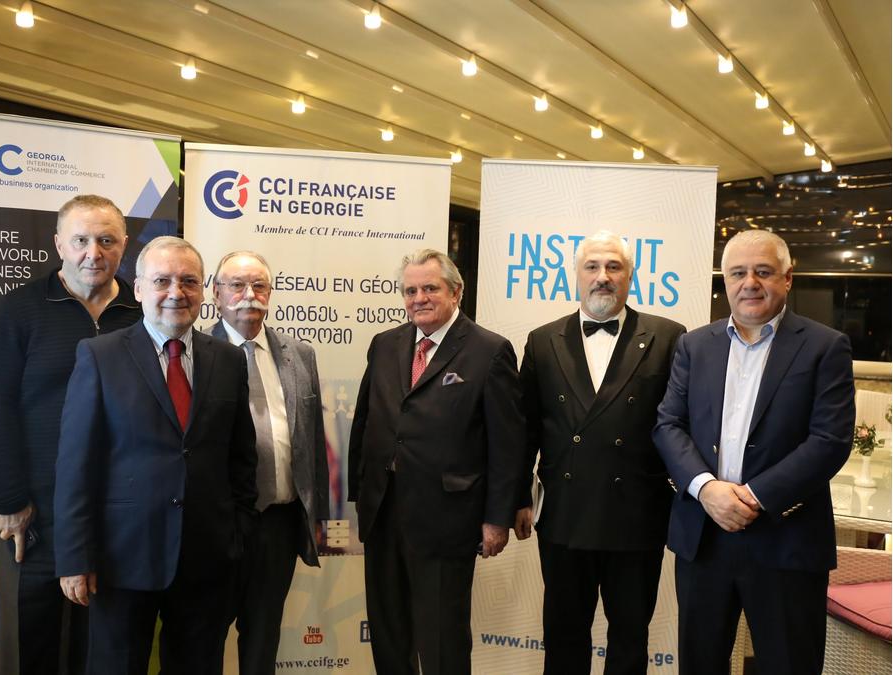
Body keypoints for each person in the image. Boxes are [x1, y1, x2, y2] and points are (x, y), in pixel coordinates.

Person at [53, 236, 257, 675]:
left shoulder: (228, 360)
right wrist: (75, 557)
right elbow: (75, 466)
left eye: (189, 281)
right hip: (121, 559)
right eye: (162, 280)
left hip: (206, 559)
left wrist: (236, 535)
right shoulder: (100, 356)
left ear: (204, 290)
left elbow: (241, 458)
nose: (176, 292)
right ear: (140, 288)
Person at [653, 230, 854, 675]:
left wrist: (753, 497)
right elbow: (668, 425)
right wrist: (706, 490)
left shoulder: (825, 346)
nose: (750, 283)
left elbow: (830, 440)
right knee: (700, 666)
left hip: (786, 539)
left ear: (788, 278)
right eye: (738, 273)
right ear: (725, 280)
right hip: (704, 537)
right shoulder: (694, 345)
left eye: (763, 272)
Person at [0, 194, 141, 674]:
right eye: (81, 240)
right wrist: (10, 500)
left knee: (105, 652)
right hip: (35, 516)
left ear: (124, 244)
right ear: (58, 245)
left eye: (106, 240)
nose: (94, 252)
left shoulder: (141, 313)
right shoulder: (22, 309)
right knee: (33, 647)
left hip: (118, 515)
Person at [515, 231, 685, 674]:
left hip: (637, 516)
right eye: (592, 266)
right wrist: (517, 498)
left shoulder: (668, 337)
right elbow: (525, 430)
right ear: (576, 274)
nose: (602, 276)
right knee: (564, 639)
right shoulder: (542, 340)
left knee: (630, 640)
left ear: (630, 276)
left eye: (614, 267)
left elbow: (679, 427)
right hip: (564, 514)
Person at [348, 248, 524, 675]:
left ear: (456, 292)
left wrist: (497, 518)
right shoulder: (385, 344)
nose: (419, 298)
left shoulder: (489, 350)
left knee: (442, 642)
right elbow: (365, 420)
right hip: (383, 513)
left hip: (447, 520)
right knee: (389, 637)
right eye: (410, 291)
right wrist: (359, 493)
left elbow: (508, 444)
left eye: (430, 288)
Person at [208, 250, 330, 674]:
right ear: (216, 293)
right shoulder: (195, 352)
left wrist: (316, 513)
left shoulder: (299, 354)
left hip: (278, 523)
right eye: (237, 285)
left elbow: (313, 437)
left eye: (259, 285)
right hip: (216, 525)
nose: (249, 294)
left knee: (263, 639)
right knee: (205, 638)